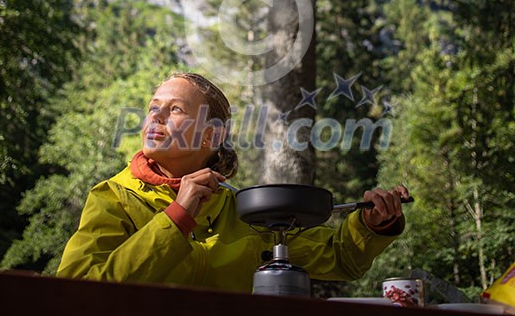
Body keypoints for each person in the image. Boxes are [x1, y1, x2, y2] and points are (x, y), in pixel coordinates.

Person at [57, 72, 410, 292]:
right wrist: (177, 218)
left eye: (176, 109)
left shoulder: (245, 211)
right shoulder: (112, 198)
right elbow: (75, 292)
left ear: (211, 136)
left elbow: (339, 258)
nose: (157, 116)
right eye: (153, 107)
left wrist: (371, 225)